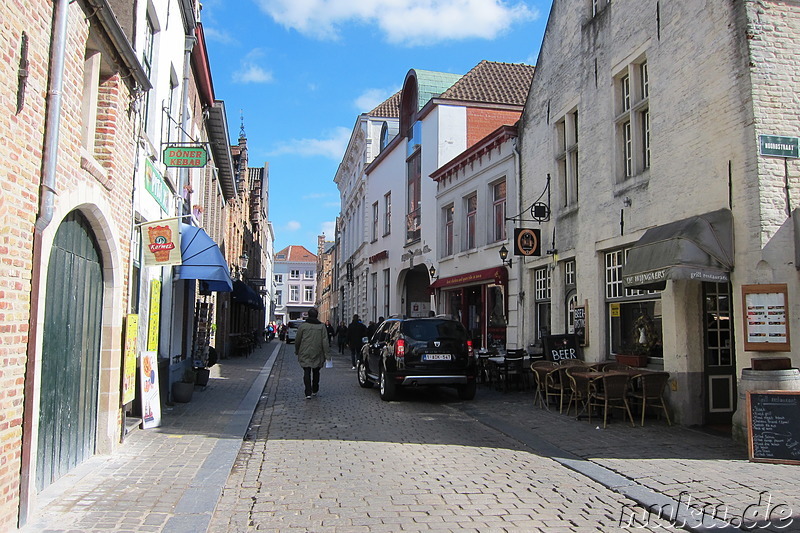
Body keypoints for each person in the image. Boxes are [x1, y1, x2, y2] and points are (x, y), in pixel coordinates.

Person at [294, 308, 330, 399]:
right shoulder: (322, 327)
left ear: (308, 315)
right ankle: (315, 388)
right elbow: (325, 341)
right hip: (317, 351)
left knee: (306, 371)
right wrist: (327, 355)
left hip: (305, 351)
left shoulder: (303, 326)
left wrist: (297, 350)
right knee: (316, 371)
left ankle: (308, 392)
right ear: (317, 315)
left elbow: (297, 339)